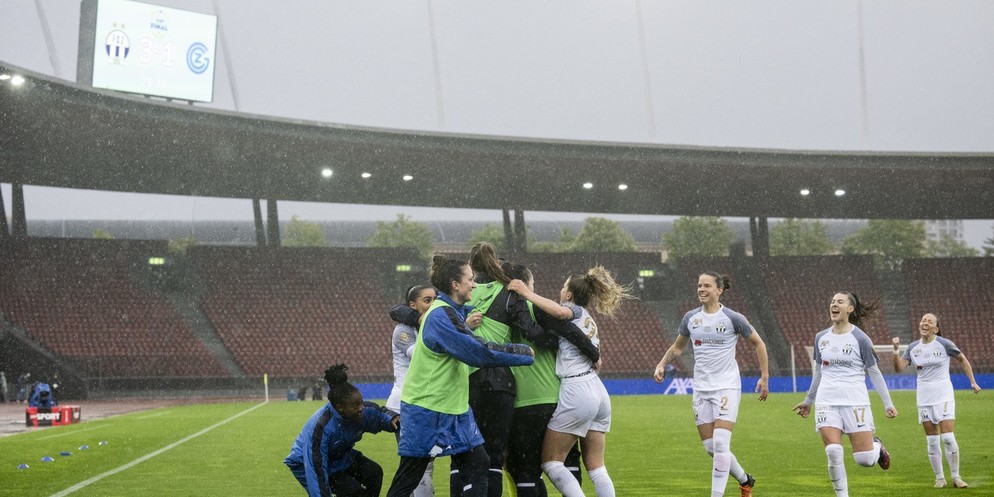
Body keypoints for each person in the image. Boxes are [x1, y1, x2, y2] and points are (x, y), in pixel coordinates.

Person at [385, 255, 535, 497]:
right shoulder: (440, 316)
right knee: (410, 476)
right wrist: (522, 353)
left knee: (479, 463)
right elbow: (477, 352)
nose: (474, 284)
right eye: (470, 279)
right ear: (455, 285)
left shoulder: (451, 311)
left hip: (453, 409)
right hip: (426, 408)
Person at [507, 265, 631, 497]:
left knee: (551, 463)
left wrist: (526, 293)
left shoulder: (571, 310)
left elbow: (561, 314)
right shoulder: (588, 318)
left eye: (564, 287)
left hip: (578, 389)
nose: (561, 290)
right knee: (597, 467)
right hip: (598, 390)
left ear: (569, 294)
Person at [653, 272, 769, 497]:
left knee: (721, 444)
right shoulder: (690, 318)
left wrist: (764, 376)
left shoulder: (733, 318)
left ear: (719, 290)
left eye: (707, 286)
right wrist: (661, 363)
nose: (701, 289)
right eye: (699, 286)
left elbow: (759, 343)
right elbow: (678, 347)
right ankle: (745, 480)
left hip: (726, 387)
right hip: (701, 388)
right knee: (711, 448)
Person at [792, 292, 898, 497]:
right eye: (832, 301)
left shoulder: (860, 338)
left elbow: (874, 372)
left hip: (855, 401)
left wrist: (888, 404)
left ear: (850, 309)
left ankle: (877, 446)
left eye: (839, 301)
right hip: (827, 402)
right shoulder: (821, 338)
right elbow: (818, 371)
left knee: (865, 459)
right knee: (833, 452)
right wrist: (809, 400)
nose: (834, 304)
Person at [503, 262, 593, 497]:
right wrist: (593, 353)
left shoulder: (501, 312)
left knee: (526, 470)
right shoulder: (543, 309)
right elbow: (571, 335)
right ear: (527, 285)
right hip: (557, 398)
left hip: (523, 401)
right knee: (569, 458)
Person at [892, 313, 981, 489]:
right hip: (924, 398)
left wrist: (973, 381)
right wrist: (895, 351)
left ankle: (956, 477)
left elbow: (962, 359)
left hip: (944, 395)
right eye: (923, 320)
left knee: (947, 437)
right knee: (932, 441)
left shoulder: (944, 344)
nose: (925, 323)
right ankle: (940, 478)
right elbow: (898, 368)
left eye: (929, 321)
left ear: (936, 328)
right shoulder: (912, 347)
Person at [284, 364, 400, 497]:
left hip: (338, 456)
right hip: (306, 463)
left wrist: (391, 420)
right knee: (351, 490)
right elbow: (316, 472)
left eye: (361, 402)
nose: (361, 407)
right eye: (355, 405)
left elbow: (378, 415)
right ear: (340, 407)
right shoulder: (321, 428)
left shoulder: (360, 412)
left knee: (374, 473)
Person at [387, 284, 439, 497]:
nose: (432, 304)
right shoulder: (403, 330)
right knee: (419, 465)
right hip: (405, 404)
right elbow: (421, 357)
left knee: (421, 464)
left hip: (423, 402)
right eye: (427, 300)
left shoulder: (422, 327)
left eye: (434, 299)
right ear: (412, 306)